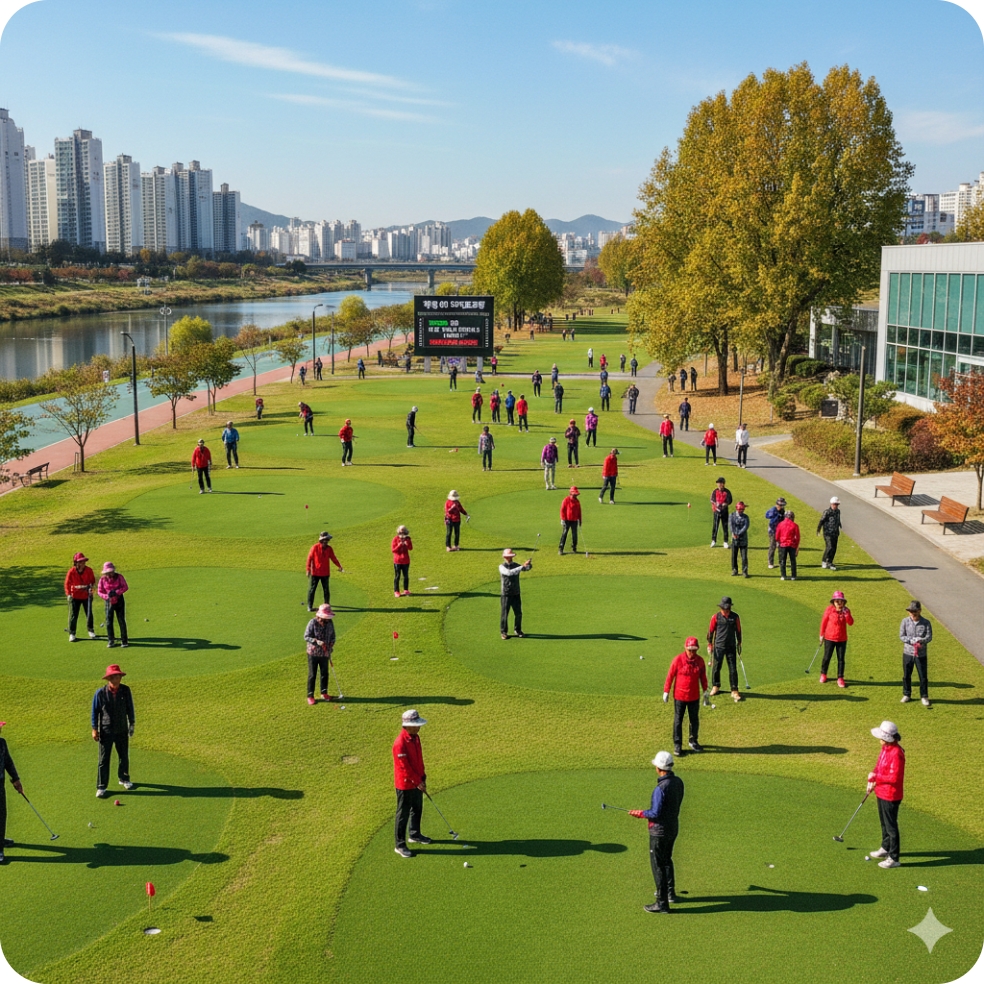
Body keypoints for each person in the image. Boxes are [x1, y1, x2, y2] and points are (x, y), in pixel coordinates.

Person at [628, 750, 684, 914]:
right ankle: (670, 892)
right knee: (667, 860)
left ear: (659, 768)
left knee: (658, 865)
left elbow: (655, 813)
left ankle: (662, 902)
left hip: (659, 832)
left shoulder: (660, 789)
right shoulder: (678, 782)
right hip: (673, 828)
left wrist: (640, 813)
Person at [91, 663, 135, 798]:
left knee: (123, 756)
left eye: (116, 677)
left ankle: (124, 778)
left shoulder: (126, 691)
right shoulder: (100, 693)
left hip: (122, 729)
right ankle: (101, 786)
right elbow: (95, 712)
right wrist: (94, 729)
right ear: (108, 679)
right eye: (112, 677)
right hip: (106, 730)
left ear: (120, 678)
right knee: (104, 759)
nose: (114, 680)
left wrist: (132, 723)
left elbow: (130, 708)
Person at [393, 709, 431, 857]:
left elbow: (419, 760)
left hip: (417, 781)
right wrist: (417, 781)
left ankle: (414, 834)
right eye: (415, 725)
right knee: (403, 814)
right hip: (405, 784)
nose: (418, 727)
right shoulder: (400, 743)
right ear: (406, 725)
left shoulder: (415, 738)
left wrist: (422, 777)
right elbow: (405, 768)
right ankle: (400, 845)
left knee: (417, 808)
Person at [866, 721, 905, 868]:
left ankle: (894, 858)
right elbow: (879, 765)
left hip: (891, 795)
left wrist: (877, 778)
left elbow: (894, 778)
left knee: (891, 826)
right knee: (884, 823)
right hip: (881, 792)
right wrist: (873, 774)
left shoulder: (896, 753)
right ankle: (885, 847)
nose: (879, 739)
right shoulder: (885, 748)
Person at [664, 637, 708, 756]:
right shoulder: (678, 660)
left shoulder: (700, 661)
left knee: (694, 720)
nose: (692, 653)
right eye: (690, 650)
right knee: (678, 720)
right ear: (685, 648)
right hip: (679, 696)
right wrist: (666, 691)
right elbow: (670, 675)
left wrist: (705, 692)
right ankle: (677, 744)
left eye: (694, 650)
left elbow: (703, 677)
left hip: (694, 696)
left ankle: (693, 741)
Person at [707, 597, 743, 702]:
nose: (725, 610)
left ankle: (734, 689)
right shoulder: (716, 617)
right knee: (716, 667)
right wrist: (710, 644)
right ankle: (715, 686)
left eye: (727, 608)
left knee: (732, 668)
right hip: (718, 646)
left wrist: (739, 642)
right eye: (723, 608)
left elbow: (739, 630)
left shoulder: (735, 617)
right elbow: (711, 631)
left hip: (731, 646)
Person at [900, 601, 933, 707]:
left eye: (914, 611)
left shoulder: (926, 622)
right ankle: (907, 694)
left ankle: (924, 696)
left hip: (921, 654)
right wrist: (911, 640)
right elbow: (902, 636)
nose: (912, 613)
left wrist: (921, 641)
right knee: (906, 675)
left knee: (923, 676)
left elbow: (929, 637)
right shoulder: (905, 621)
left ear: (919, 611)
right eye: (910, 611)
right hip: (908, 653)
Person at [0, 721, 24, 863]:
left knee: (1, 814)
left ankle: (0, 841)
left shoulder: (2, 743)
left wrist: (15, 779)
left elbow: (8, 761)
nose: (1, 729)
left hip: (0, 784)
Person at [819, 590, 854, 687]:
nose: (839, 603)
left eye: (841, 601)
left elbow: (851, 623)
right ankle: (823, 674)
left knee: (841, 659)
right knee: (827, 657)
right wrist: (821, 635)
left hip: (842, 639)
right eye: (837, 601)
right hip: (829, 638)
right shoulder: (829, 610)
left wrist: (846, 614)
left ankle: (840, 678)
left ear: (843, 602)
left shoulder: (846, 611)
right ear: (833, 602)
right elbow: (824, 622)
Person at [304, 604, 336, 705]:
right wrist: (316, 642)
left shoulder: (330, 623)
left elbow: (333, 636)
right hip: (313, 653)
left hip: (325, 653)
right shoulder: (312, 622)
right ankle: (310, 695)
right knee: (312, 674)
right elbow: (306, 636)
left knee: (324, 673)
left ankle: (324, 692)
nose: (327, 619)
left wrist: (331, 644)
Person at [499, 548, 532, 639]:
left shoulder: (516, 565)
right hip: (506, 594)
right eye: (507, 556)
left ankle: (518, 630)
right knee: (505, 614)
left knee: (518, 613)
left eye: (510, 556)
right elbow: (509, 573)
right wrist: (521, 567)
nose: (509, 558)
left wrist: (528, 564)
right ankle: (503, 632)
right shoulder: (502, 567)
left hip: (516, 593)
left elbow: (526, 568)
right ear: (505, 557)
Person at [306, 531, 344, 610]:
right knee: (312, 589)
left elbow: (333, 558)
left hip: (325, 573)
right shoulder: (314, 548)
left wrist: (339, 566)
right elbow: (309, 559)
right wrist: (308, 569)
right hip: (315, 573)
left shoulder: (329, 549)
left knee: (326, 590)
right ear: (321, 540)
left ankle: (327, 605)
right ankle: (310, 606)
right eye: (325, 540)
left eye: (327, 540)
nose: (326, 541)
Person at [65, 551, 96, 642]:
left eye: (83, 561)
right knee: (74, 615)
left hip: (87, 595)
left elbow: (92, 581)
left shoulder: (89, 570)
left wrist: (90, 588)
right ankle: (72, 633)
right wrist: (68, 594)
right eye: (81, 561)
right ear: (76, 563)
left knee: (89, 613)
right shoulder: (71, 572)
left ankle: (91, 630)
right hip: (75, 596)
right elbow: (67, 584)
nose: (83, 563)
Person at [97, 562, 129, 649]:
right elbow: (99, 591)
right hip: (108, 602)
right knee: (109, 621)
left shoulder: (119, 577)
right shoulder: (102, 580)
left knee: (121, 620)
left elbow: (125, 587)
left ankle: (124, 640)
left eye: (111, 572)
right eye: (108, 572)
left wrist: (116, 592)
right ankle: (111, 640)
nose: (110, 574)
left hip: (119, 600)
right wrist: (107, 596)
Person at [817, 497, 844, 570]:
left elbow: (838, 519)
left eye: (837, 504)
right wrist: (818, 530)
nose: (836, 506)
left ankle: (830, 561)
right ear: (831, 504)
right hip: (828, 533)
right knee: (829, 547)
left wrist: (839, 525)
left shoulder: (838, 511)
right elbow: (821, 521)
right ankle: (824, 561)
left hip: (835, 533)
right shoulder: (827, 512)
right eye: (835, 504)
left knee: (834, 548)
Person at [776, 509, 800, 580]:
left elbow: (777, 535)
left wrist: (778, 541)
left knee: (783, 560)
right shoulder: (795, 525)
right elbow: (797, 537)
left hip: (783, 544)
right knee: (793, 560)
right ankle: (793, 576)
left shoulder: (780, 524)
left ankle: (783, 575)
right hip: (792, 544)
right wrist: (796, 546)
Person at [709, 476, 732, 548]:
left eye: (720, 483)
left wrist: (725, 503)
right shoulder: (715, 491)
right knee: (715, 526)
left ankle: (725, 541)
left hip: (724, 511)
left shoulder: (727, 492)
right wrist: (715, 504)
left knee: (725, 527)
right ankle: (713, 540)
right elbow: (712, 499)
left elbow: (730, 500)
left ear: (723, 484)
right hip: (717, 511)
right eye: (718, 483)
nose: (719, 485)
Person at [729, 501, 750, 577]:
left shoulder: (746, 517)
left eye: (742, 510)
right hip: (735, 539)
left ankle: (745, 571)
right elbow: (731, 525)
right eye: (740, 510)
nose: (741, 511)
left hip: (743, 539)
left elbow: (746, 527)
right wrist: (734, 533)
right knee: (734, 556)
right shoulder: (732, 516)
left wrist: (738, 533)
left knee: (744, 556)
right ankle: (734, 570)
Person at [765, 497, 787, 569]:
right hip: (773, 531)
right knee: (772, 546)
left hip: (780, 531)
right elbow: (767, 516)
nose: (782, 507)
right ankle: (770, 562)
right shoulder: (773, 510)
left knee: (781, 546)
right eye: (781, 505)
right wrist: (775, 515)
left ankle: (781, 562)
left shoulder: (782, 511)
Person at [392, 525, 413, 598]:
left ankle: (406, 590)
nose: (402, 534)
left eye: (403, 532)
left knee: (406, 576)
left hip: (406, 561)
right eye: (400, 532)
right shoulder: (395, 539)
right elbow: (393, 550)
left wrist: (407, 545)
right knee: (397, 576)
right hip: (397, 561)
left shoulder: (408, 539)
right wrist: (399, 545)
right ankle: (396, 591)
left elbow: (411, 548)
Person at [559, 486, 582, 554]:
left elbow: (579, 512)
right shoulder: (566, 500)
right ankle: (561, 548)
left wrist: (580, 520)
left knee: (574, 535)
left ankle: (574, 547)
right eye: (574, 494)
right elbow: (562, 510)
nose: (576, 495)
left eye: (576, 494)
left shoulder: (577, 502)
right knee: (564, 534)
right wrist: (563, 519)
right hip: (567, 520)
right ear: (571, 493)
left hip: (574, 521)